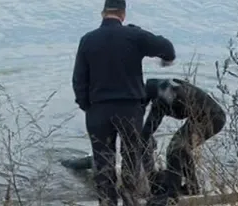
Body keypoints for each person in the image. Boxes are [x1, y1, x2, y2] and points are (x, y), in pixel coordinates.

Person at [71, 0, 176, 204]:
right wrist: (165, 58)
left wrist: (87, 106)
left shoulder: (87, 40)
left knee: (103, 163)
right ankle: (130, 201)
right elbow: (167, 48)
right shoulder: (134, 36)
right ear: (123, 14)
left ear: (103, 13)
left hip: (98, 110)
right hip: (129, 109)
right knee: (130, 159)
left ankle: (107, 202)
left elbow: (78, 80)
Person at [68, 77, 226, 205]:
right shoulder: (159, 89)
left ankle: (172, 195)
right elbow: (147, 130)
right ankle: (192, 187)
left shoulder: (162, 95)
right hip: (203, 117)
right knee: (180, 148)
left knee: (175, 149)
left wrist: (137, 144)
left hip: (212, 118)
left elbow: (148, 128)